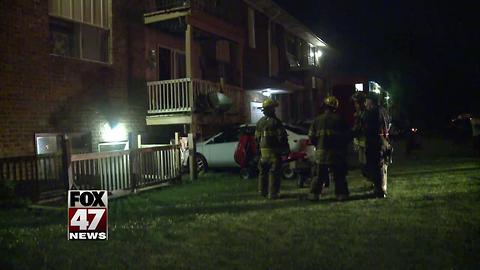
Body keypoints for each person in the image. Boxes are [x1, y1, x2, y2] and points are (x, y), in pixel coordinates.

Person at [308, 96, 350, 201]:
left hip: (321, 151)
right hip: (337, 152)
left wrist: (318, 145)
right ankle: (341, 195)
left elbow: (311, 137)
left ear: (325, 107)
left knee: (319, 174)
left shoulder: (317, 120)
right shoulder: (340, 119)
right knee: (339, 175)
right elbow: (346, 136)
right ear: (335, 107)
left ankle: (314, 195)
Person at [255, 98, 289, 199]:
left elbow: (257, 139)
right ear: (271, 109)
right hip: (274, 154)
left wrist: (258, 153)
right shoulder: (276, 122)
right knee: (274, 174)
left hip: (263, 155)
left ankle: (262, 192)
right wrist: (285, 150)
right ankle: (273, 193)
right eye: (273, 108)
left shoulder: (260, 122)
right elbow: (282, 137)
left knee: (263, 174)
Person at [364, 93, 391, 198]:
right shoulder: (384, 111)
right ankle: (382, 189)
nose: (365, 103)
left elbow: (369, 129)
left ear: (371, 101)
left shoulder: (372, 113)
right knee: (383, 167)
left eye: (366, 100)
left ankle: (379, 191)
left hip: (375, 143)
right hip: (385, 142)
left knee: (376, 167)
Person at [351, 92, 368, 178]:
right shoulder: (357, 114)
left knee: (367, 162)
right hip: (360, 139)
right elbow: (356, 127)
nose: (355, 105)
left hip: (367, 140)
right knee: (362, 163)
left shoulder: (367, 113)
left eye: (356, 103)